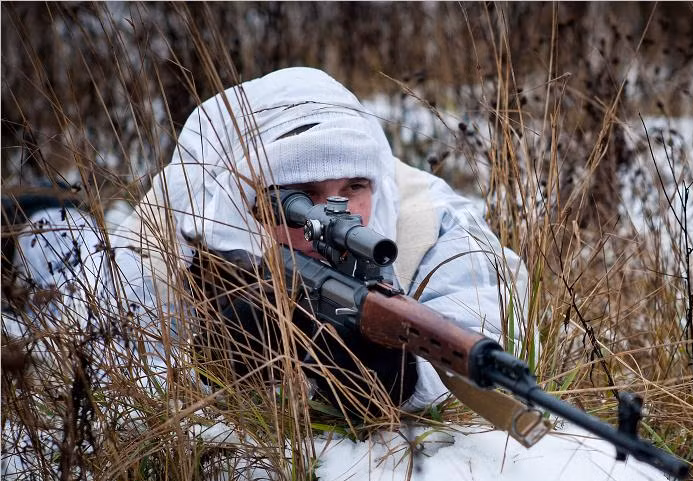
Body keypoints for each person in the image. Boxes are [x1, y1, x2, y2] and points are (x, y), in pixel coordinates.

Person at [3, 67, 526, 420]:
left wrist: (399, 377)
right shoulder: (179, 230)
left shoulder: (427, 221)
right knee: (57, 257)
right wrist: (211, 366)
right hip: (70, 262)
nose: (335, 214)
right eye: (301, 197)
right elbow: (80, 359)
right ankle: (42, 215)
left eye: (354, 189)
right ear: (244, 200)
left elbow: (483, 331)